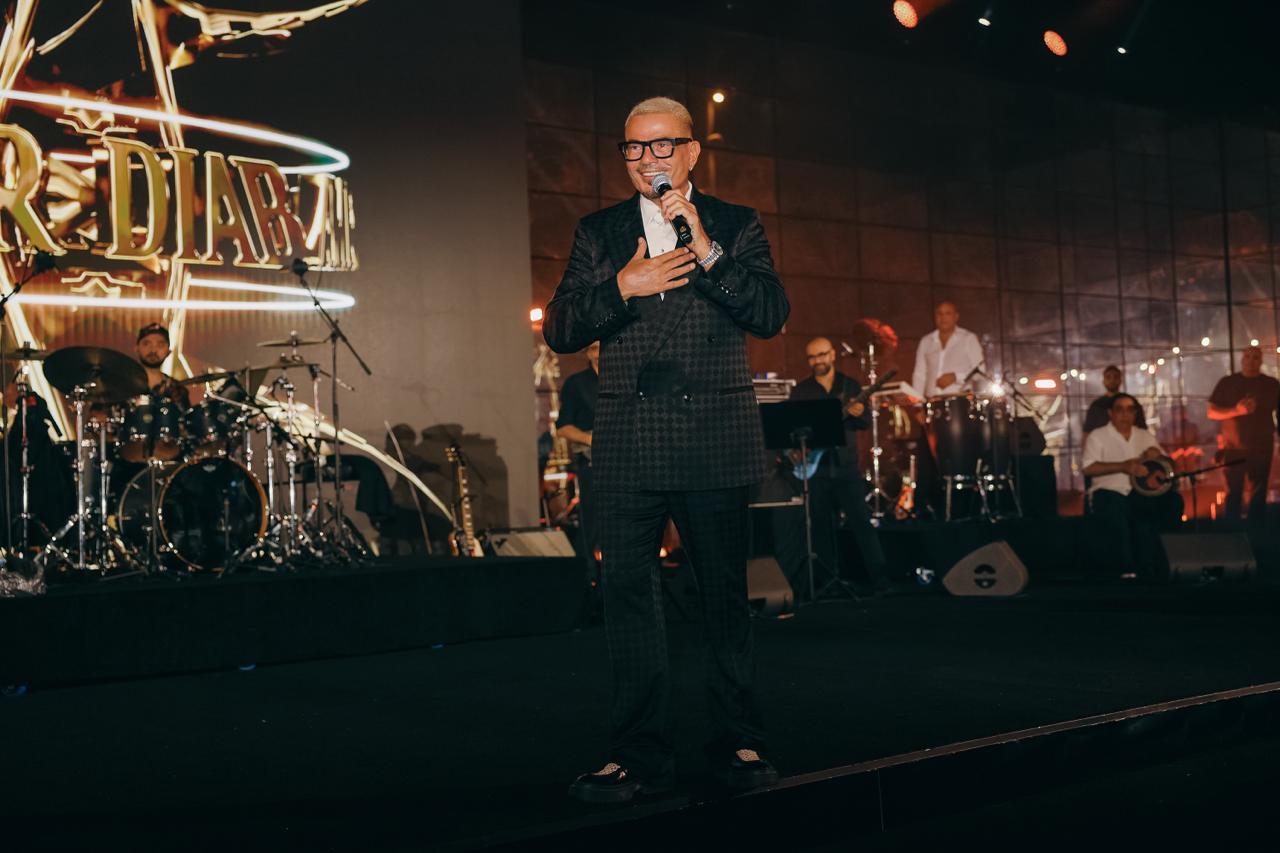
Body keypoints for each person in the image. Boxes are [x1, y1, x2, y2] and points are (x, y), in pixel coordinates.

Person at [543, 96, 789, 803]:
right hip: (628, 439)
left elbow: (771, 314)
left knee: (723, 599)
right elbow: (560, 326)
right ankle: (637, 754)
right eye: (633, 148)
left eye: (661, 146)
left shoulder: (735, 223)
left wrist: (706, 249)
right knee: (628, 602)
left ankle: (738, 739)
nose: (647, 159)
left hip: (713, 435)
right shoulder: (600, 232)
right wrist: (623, 286)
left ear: (691, 153)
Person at [772, 336, 889, 597]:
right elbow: (790, 429)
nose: (818, 361)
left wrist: (859, 413)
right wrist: (794, 450)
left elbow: (864, 422)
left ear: (833, 354)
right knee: (821, 527)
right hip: (817, 470)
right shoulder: (802, 391)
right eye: (812, 357)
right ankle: (828, 583)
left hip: (846, 466)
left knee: (861, 523)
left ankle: (881, 581)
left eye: (822, 354)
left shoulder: (850, 385)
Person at [1081, 394, 1182, 579]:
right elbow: (1088, 468)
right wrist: (1123, 466)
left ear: (1135, 413)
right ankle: (1125, 569)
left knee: (1166, 507)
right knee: (1118, 512)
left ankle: (1157, 568)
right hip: (1108, 492)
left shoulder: (1144, 436)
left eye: (1130, 410)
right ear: (1110, 413)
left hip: (1140, 494)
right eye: (1119, 409)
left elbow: (1169, 466)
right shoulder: (1098, 436)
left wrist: (1158, 457)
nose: (1125, 414)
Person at [1207, 345, 1279, 524]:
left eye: (1255, 357)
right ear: (1242, 359)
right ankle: (1232, 531)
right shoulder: (1228, 382)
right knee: (1233, 491)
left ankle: (1256, 531)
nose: (1251, 361)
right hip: (1234, 447)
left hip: (1262, 446)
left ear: (1261, 361)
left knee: (1259, 491)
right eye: (1247, 356)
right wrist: (1236, 411)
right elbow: (1211, 412)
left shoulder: (1271, 384)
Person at [555, 341, 601, 578]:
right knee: (592, 519)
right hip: (593, 462)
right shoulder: (577, 383)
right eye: (594, 348)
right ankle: (588, 574)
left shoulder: (625, 380)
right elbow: (563, 427)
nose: (599, 352)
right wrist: (590, 438)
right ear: (588, 353)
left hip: (629, 462)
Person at [911, 300, 984, 398]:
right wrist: (917, 403)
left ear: (956, 317)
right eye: (939, 314)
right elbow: (919, 375)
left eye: (948, 313)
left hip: (961, 401)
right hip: (931, 401)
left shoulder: (968, 339)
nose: (943, 317)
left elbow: (980, 372)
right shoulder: (926, 341)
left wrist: (956, 377)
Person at [1082, 365, 1146, 438]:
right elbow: (1087, 431)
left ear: (1120, 380)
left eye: (1115, 377)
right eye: (1108, 377)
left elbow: (1142, 428)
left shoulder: (1131, 402)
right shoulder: (1096, 405)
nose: (1112, 380)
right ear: (1103, 381)